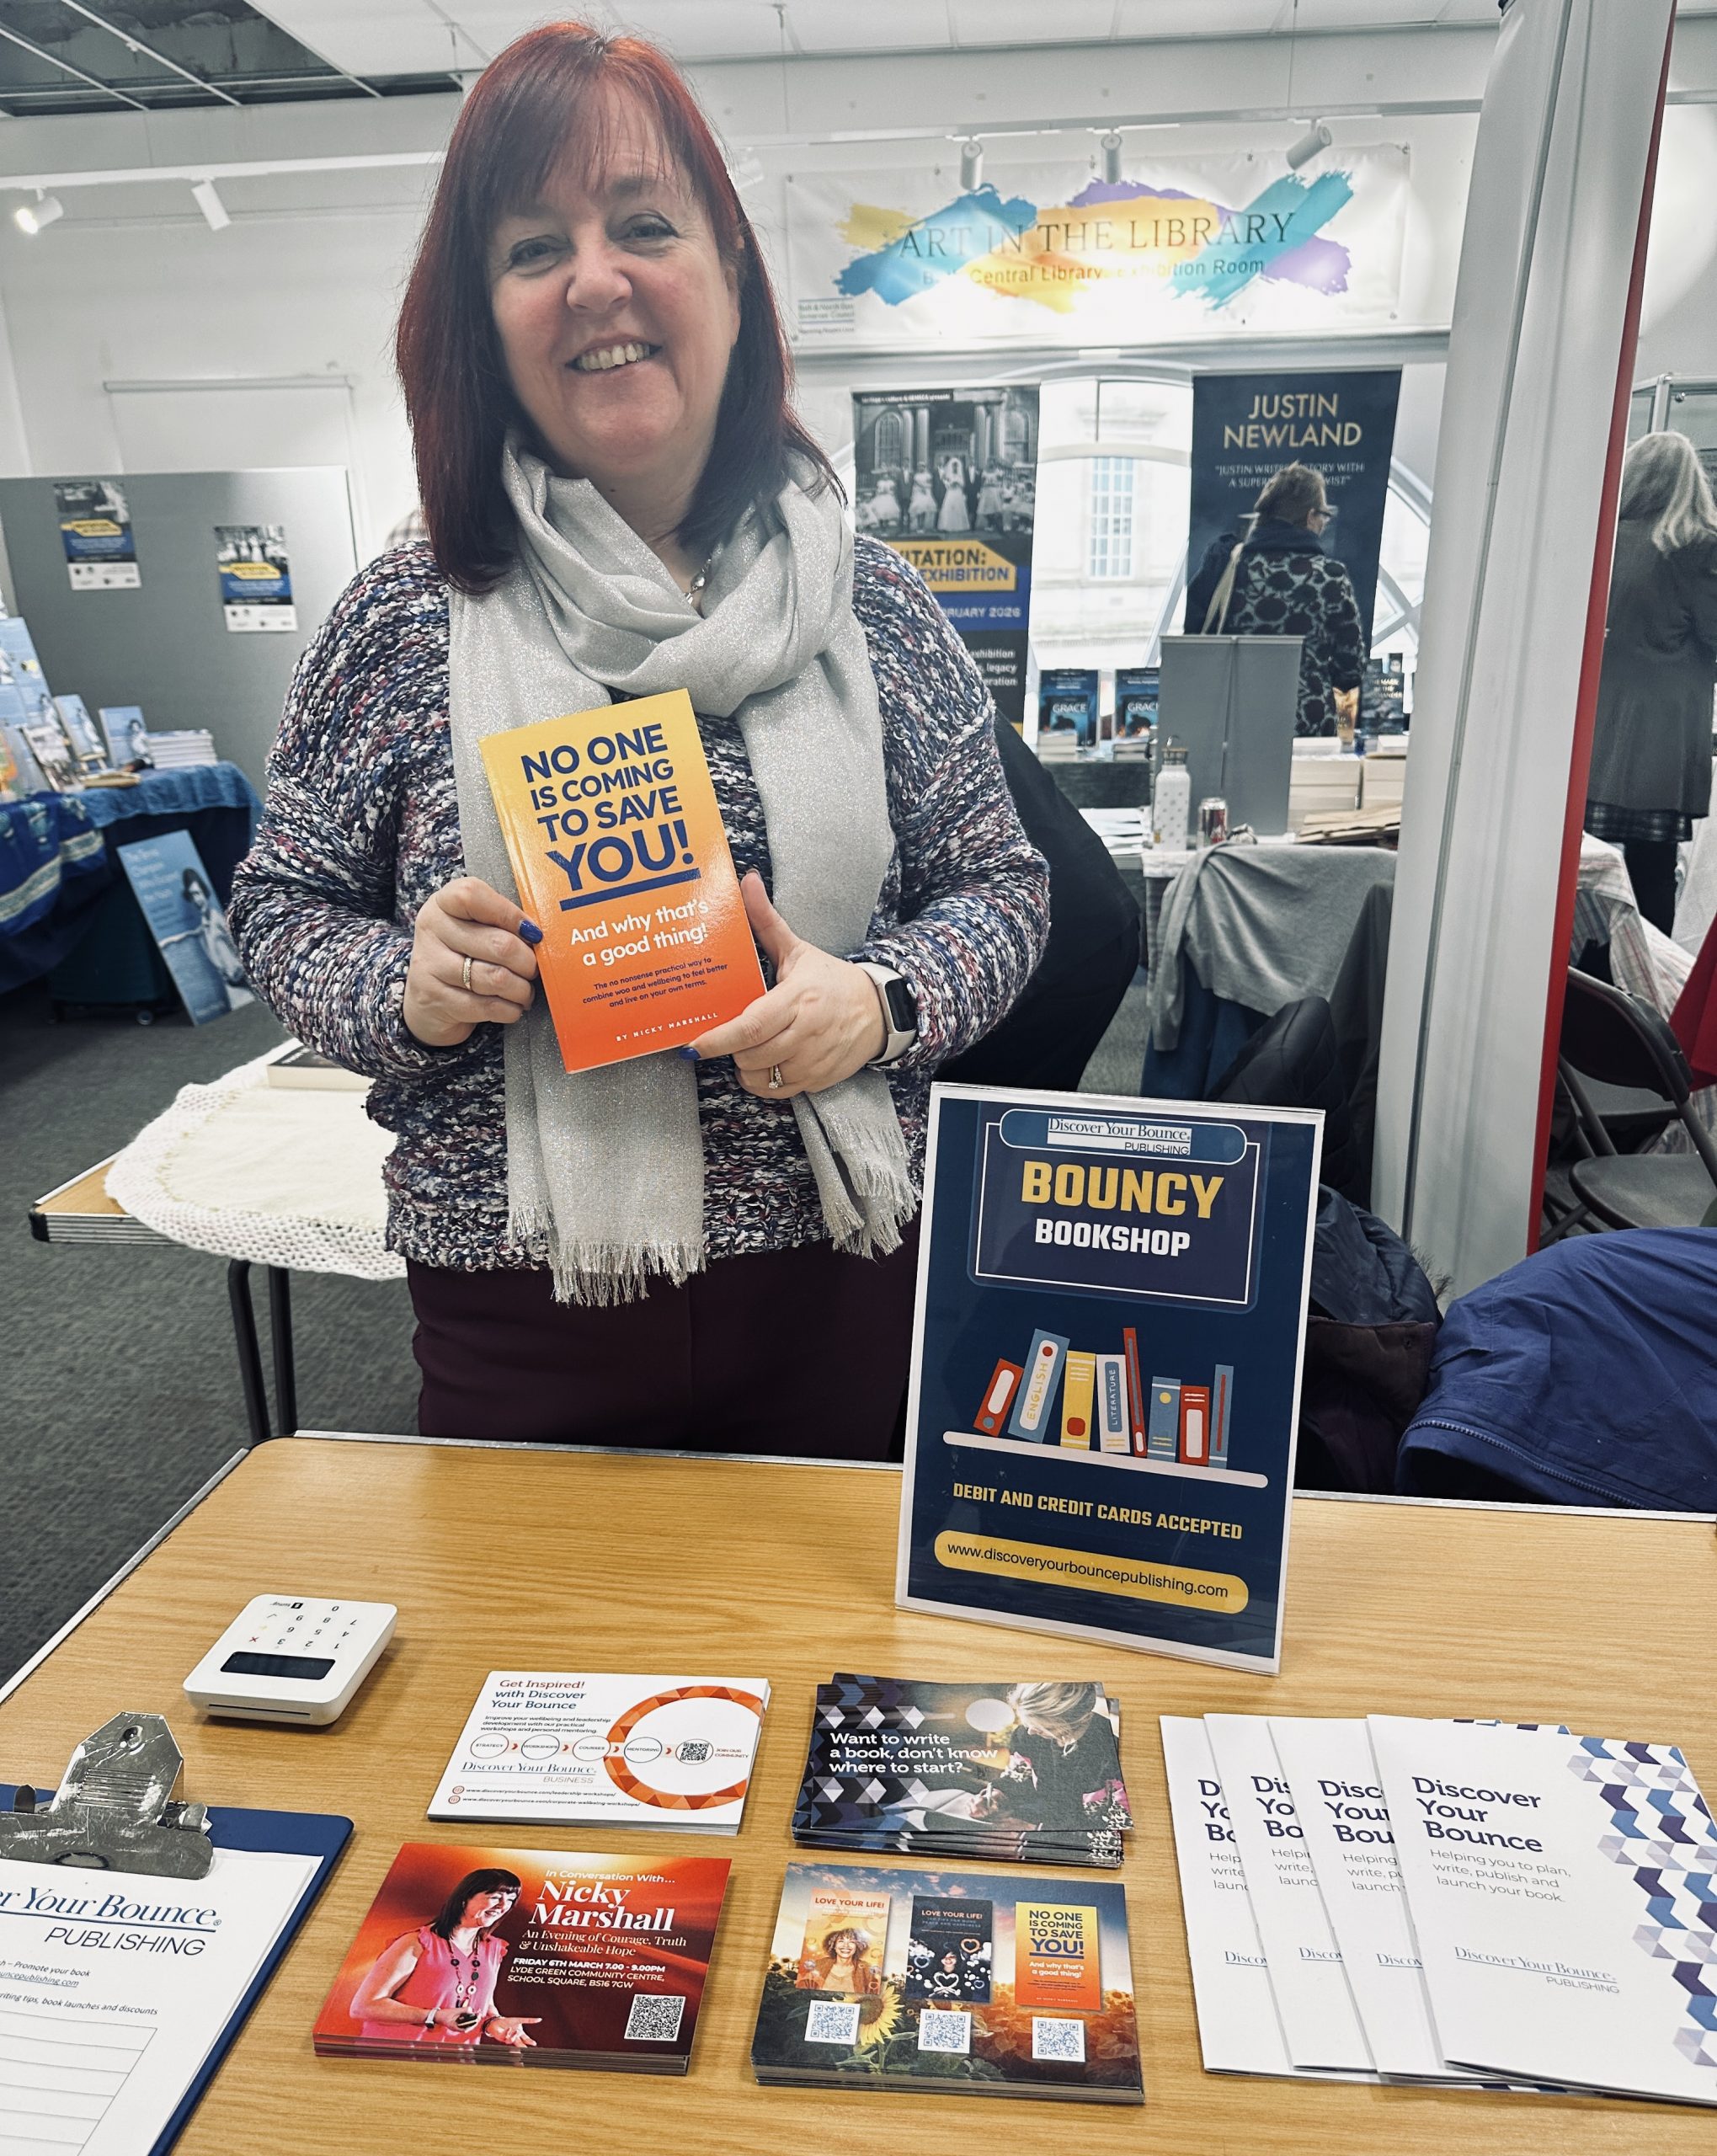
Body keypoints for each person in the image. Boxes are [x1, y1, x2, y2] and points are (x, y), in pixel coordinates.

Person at [227, 23, 1047, 1456]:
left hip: (847, 1279)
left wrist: (883, 1000)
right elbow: (279, 909)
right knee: (525, 1675)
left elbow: (1005, 887)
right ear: (481, 318)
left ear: (727, 272)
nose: (596, 279)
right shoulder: (404, 615)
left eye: (644, 225)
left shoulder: (874, 607)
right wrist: (403, 985)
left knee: (824, 1682)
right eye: (533, 246)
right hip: (523, 1312)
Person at [1586, 431, 1717, 934]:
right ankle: (1645, 997)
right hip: (1660, 742)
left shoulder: (1602, 543)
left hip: (1596, 738)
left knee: (1588, 871)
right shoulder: (1695, 547)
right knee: (1653, 875)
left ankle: (1589, 984)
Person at [1186, 462, 1366, 737]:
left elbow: (1193, 638)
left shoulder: (1227, 564)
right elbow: (1350, 670)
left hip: (1235, 722)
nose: (1323, 523)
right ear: (1310, 517)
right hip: (1306, 725)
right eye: (1324, 516)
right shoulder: (1330, 577)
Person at [350, 1868, 539, 2048]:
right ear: (465, 1898)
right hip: (394, 2055)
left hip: (455, 2060)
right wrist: (437, 2016)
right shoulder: (415, 1942)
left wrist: (494, 2023)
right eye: (495, 1897)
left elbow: (483, 2003)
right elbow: (364, 2006)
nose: (503, 1906)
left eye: (510, 1900)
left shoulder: (494, 1949)